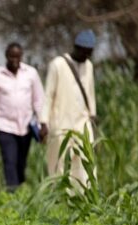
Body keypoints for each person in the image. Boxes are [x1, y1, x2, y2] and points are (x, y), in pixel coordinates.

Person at [0, 43, 46, 192]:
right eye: (12, 56)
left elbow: (39, 100)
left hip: (26, 126)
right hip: (5, 126)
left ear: (22, 57)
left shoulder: (30, 74)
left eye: (17, 57)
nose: (14, 60)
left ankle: (19, 190)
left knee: (20, 163)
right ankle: (12, 193)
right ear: (6, 56)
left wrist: (43, 123)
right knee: (9, 161)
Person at [41, 30, 97, 192]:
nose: (86, 56)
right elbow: (48, 95)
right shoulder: (58, 64)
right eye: (83, 51)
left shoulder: (89, 66)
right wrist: (44, 122)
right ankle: (59, 197)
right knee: (58, 164)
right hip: (60, 124)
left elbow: (90, 92)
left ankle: (85, 196)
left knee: (85, 162)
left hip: (82, 123)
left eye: (89, 53)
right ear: (76, 47)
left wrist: (92, 115)